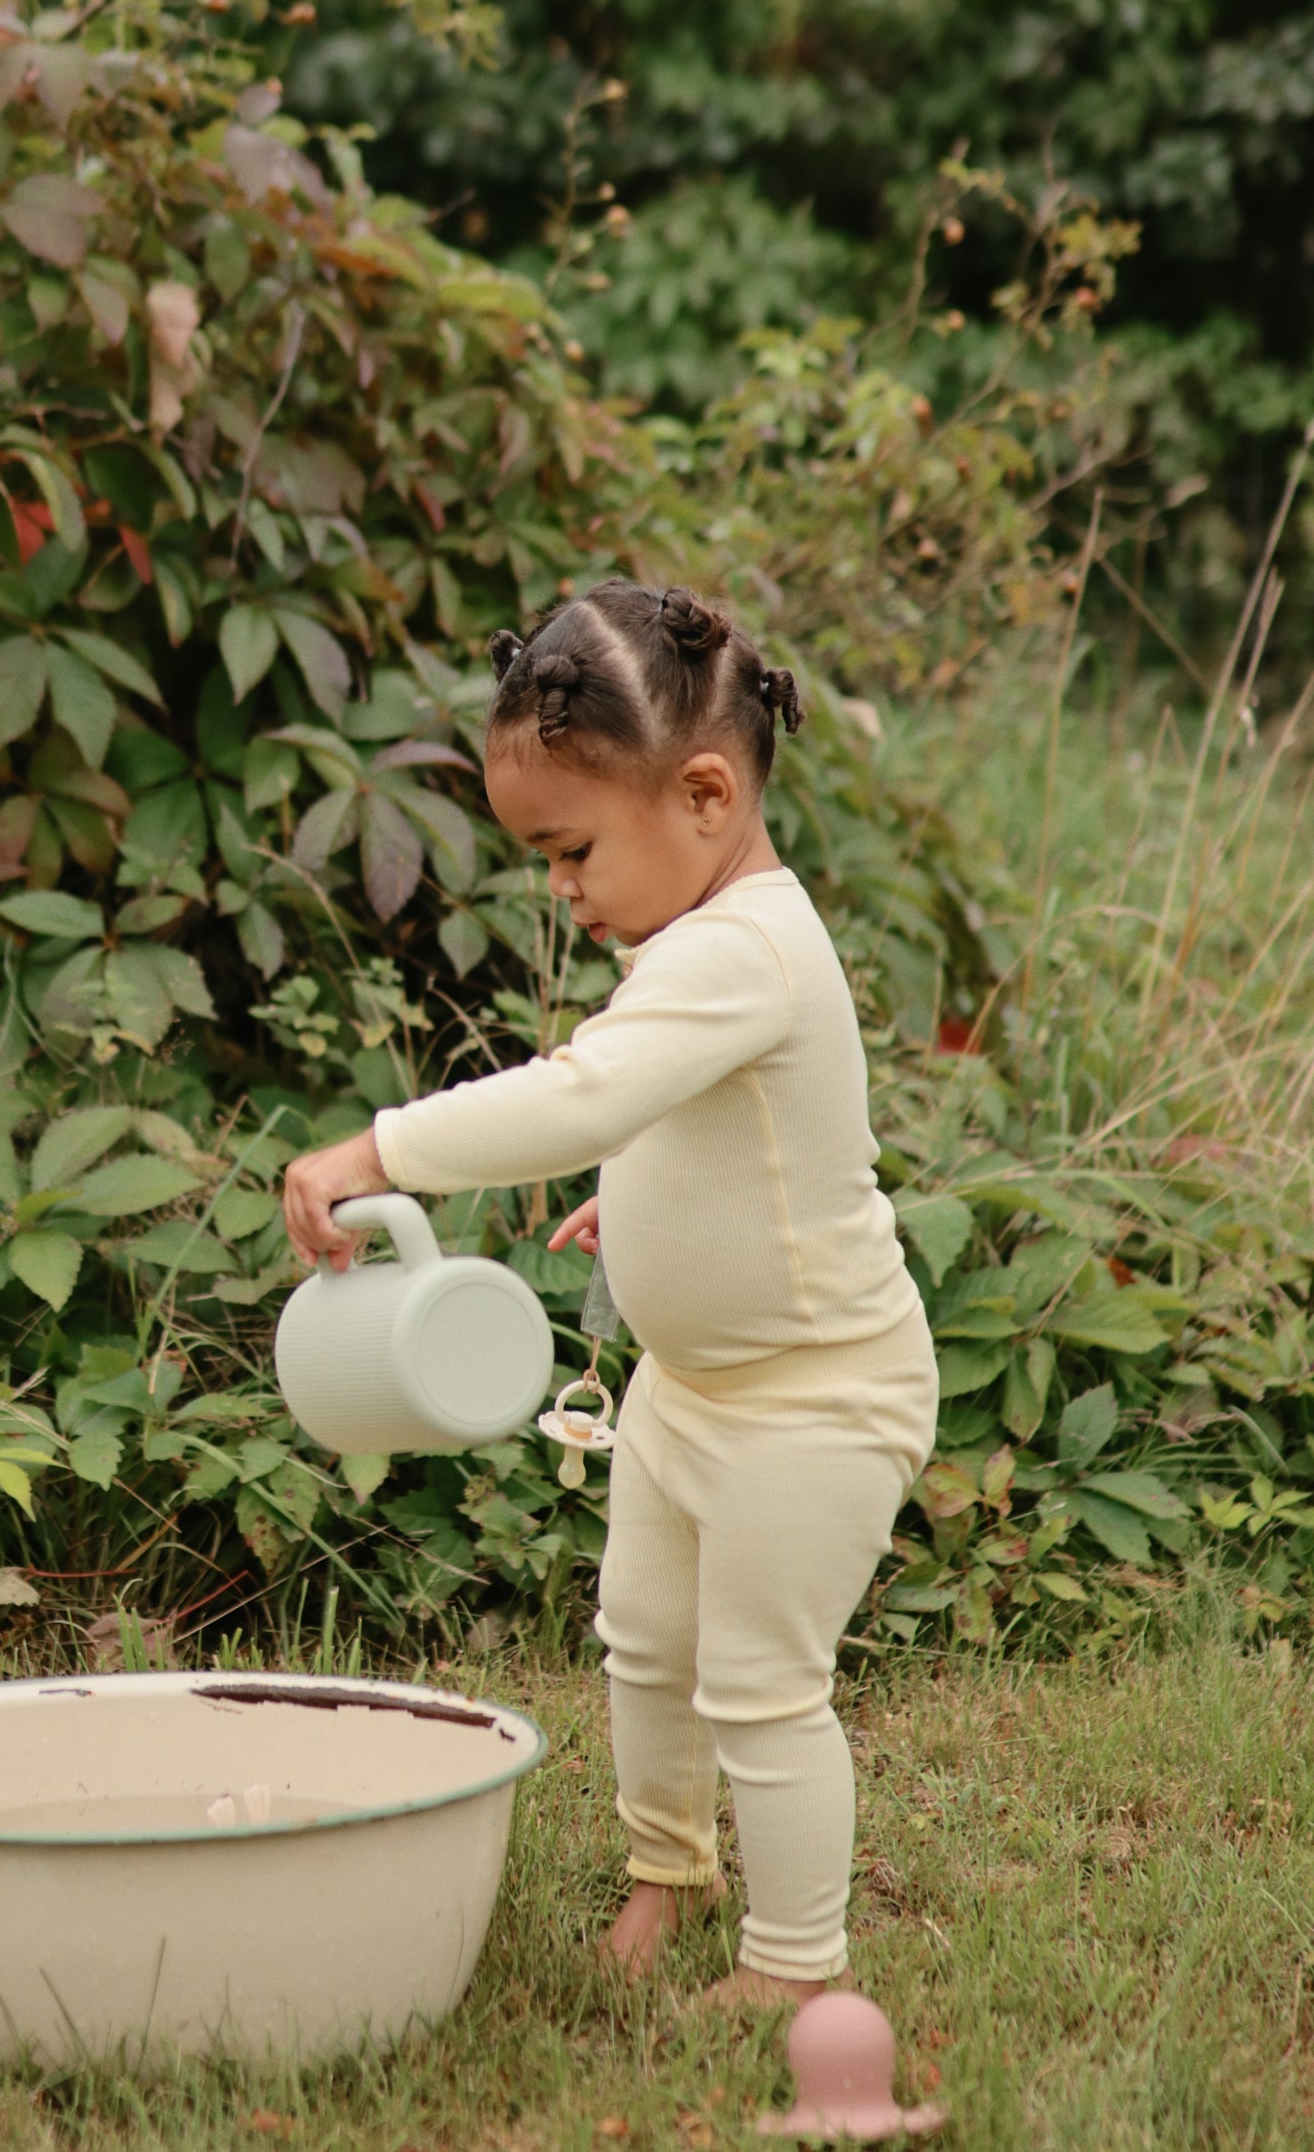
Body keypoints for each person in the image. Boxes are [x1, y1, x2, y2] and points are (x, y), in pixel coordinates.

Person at [282, 582, 939, 2009]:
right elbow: (695, 1116)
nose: (563, 890)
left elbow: (589, 1090)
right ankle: (668, 1867)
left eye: (572, 852)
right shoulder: (698, 947)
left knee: (761, 1684)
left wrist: (378, 1149)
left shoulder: (742, 950)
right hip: (694, 1387)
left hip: (815, 1393)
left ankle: (793, 1964)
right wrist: (640, 1197)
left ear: (704, 795)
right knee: (644, 1640)